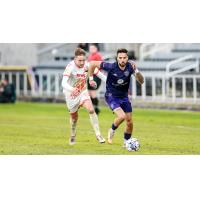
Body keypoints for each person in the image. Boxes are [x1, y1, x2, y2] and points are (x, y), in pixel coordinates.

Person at [88, 48, 144, 146]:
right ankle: (112, 130)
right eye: (120, 58)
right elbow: (92, 64)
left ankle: (126, 142)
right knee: (122, 116)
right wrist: (91, 79)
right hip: (111, 96)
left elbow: (141, 81)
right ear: (117, 58)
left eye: (124, 58)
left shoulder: (131, 67)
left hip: (124, 97)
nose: (122, 60)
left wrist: (137, 71)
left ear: (127, 58)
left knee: (130, 122)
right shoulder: (111, 66)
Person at [61, 48, 106, 145]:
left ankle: (98, 134)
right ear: (75, 59)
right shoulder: (70, 67)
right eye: (79, 60)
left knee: (91, 109)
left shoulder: (87, 65)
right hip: (71, 95)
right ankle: (73, 134)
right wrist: (72, 89)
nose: (82, 62)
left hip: (82, 92)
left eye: (83, 60)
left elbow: (100, 74)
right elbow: (63, 83)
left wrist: (111, 83)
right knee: (74, 118)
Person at [87, 44, 103, 115]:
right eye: (90, 48)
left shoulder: (97, 56)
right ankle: (94, 108)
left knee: (93, 92)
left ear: (96, 49)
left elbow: (100, 66)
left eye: (93, 48)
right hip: (90, 76)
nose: (91, 49)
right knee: (90, 93)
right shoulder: (90, 56)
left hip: (95, 76)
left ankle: (96, 108)